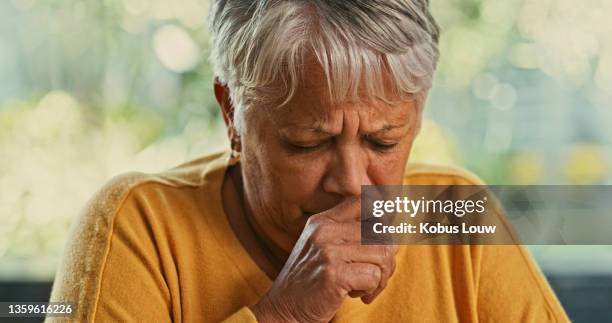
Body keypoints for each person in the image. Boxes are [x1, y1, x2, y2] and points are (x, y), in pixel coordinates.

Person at [47, 1, 570, 322]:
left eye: (384, 141)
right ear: (233, 115)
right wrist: (284, 315)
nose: (352, 183)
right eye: (307, 143)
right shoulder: (139, 226)